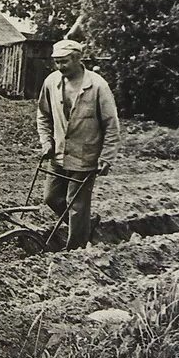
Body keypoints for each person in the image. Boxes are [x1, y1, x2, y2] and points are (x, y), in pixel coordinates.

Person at [36, 39, 120, 251]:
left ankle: (76, 250)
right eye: (57, 62)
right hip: (58, 153)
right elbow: (43, 115)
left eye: (64, 62)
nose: (60, 67)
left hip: (86, 156)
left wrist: (107, 157)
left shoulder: (97, 86)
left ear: (77, 58)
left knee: (77, 205)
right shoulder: (51, 82)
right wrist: (46, 141)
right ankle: (85, 225)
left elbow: (111, 125)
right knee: (51, 198)